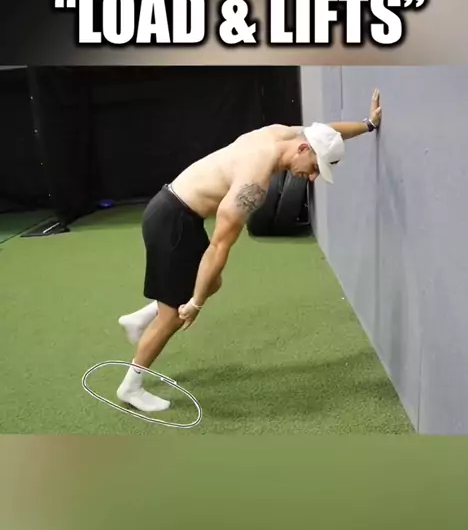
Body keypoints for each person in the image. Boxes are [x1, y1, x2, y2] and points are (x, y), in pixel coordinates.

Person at [116, 89, 382, 412]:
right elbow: (219, 246)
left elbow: (329, 131)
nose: (312, 177)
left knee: (212, 282)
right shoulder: (254, 185)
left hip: (179, 212)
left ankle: (141, 319)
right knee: (174, 315)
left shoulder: (283, 135)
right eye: (314, 166)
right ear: (303, 149)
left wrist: (368, 125)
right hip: (171, 221)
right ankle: (131, 385)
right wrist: (196, 304)